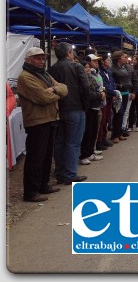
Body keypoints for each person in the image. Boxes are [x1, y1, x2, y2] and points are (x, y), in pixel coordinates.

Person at [17, 47, 68, 201]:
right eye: (37, 58)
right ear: (28, 60)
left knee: (46, 156)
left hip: (50, 118)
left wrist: (53, 90)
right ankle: (31, 192)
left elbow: (64, 88)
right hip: (37, 121)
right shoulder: (25, 77)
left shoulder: (43, 74)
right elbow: (42, 98)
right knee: (36, 157)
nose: (41, 61)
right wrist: (56, 92)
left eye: (42, 58)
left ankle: (43, 185)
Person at [48, 42, 90, 185]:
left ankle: (60, 172)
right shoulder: (76, 66)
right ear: (68, 53)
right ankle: (70, 174)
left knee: (60, 142)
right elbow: (85, 86)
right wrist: (85, 105)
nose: (73, 54)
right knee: (72, 142)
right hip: (75, 108)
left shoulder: (52, 69)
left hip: (59, 109)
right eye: (71, 52)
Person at [79, 59, 105, 165]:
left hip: (96, 106)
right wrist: (100, 95)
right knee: (87, 132)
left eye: (88, 66)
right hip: (88, 108)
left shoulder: (91, 77)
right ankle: (84, 155)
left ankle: (90, 152)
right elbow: (88, 94)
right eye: (85, 67)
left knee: (93, 131)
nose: (88, 68)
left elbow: (99, 87)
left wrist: (102, 92)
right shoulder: (81, 80)